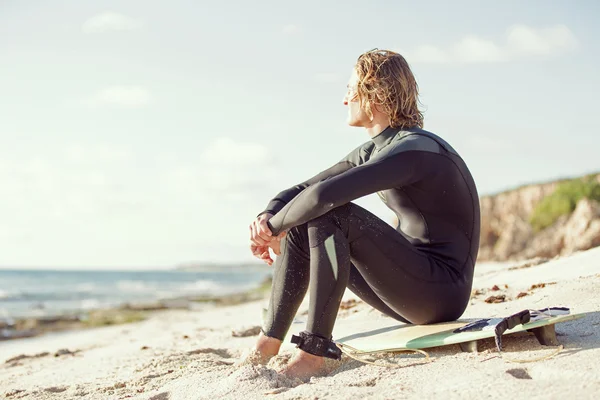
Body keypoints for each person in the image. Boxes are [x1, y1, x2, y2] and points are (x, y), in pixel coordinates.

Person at [247, 49, 480, 380]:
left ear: (374, 91)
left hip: (441, 291)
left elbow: (324, 196)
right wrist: (267, 217)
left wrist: (271, 228)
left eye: (349, 88)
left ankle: (317, 352)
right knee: (302, 224)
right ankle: (267, 343)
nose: (344, 100)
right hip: (410, 284)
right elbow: (303, 190)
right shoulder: (377, 148)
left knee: (330, 214)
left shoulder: (414, 149)